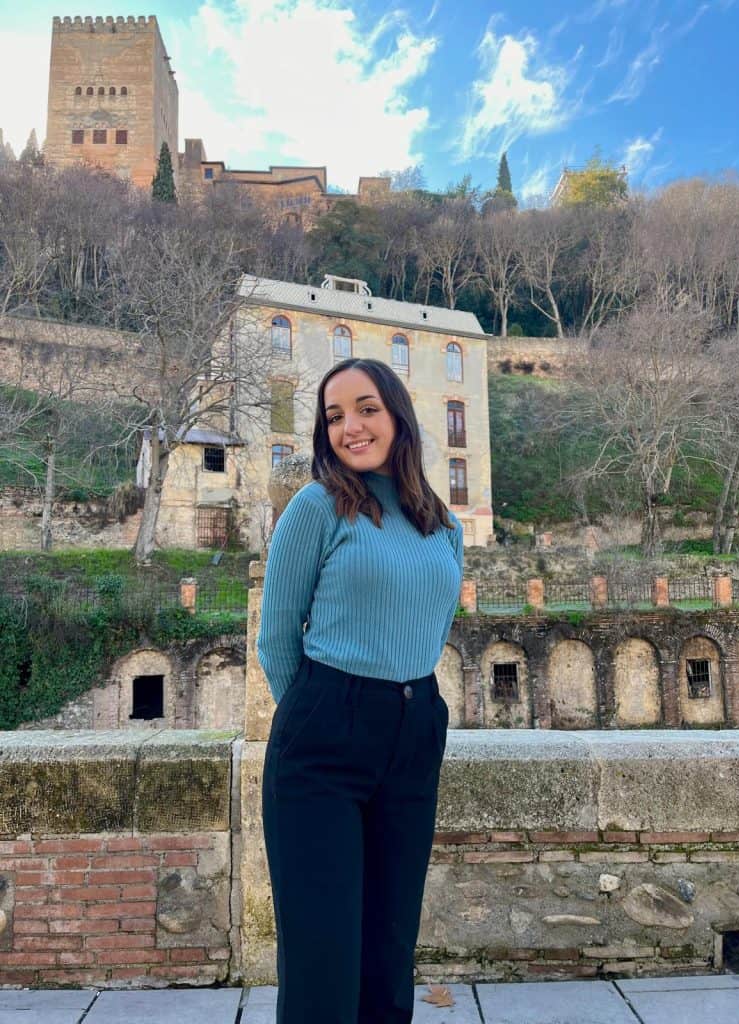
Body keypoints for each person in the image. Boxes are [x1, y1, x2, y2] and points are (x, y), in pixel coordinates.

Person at [258, 356, 463, 1024]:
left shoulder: (443, 525)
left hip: (414, 732)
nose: (350, 427)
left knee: (389, 954)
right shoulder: (317, 508)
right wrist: (323, 716)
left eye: (366, 408)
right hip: (325, 738)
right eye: (334, 416)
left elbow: (431, 626)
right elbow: (276, 638)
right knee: (323, 958)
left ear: (398, 416)